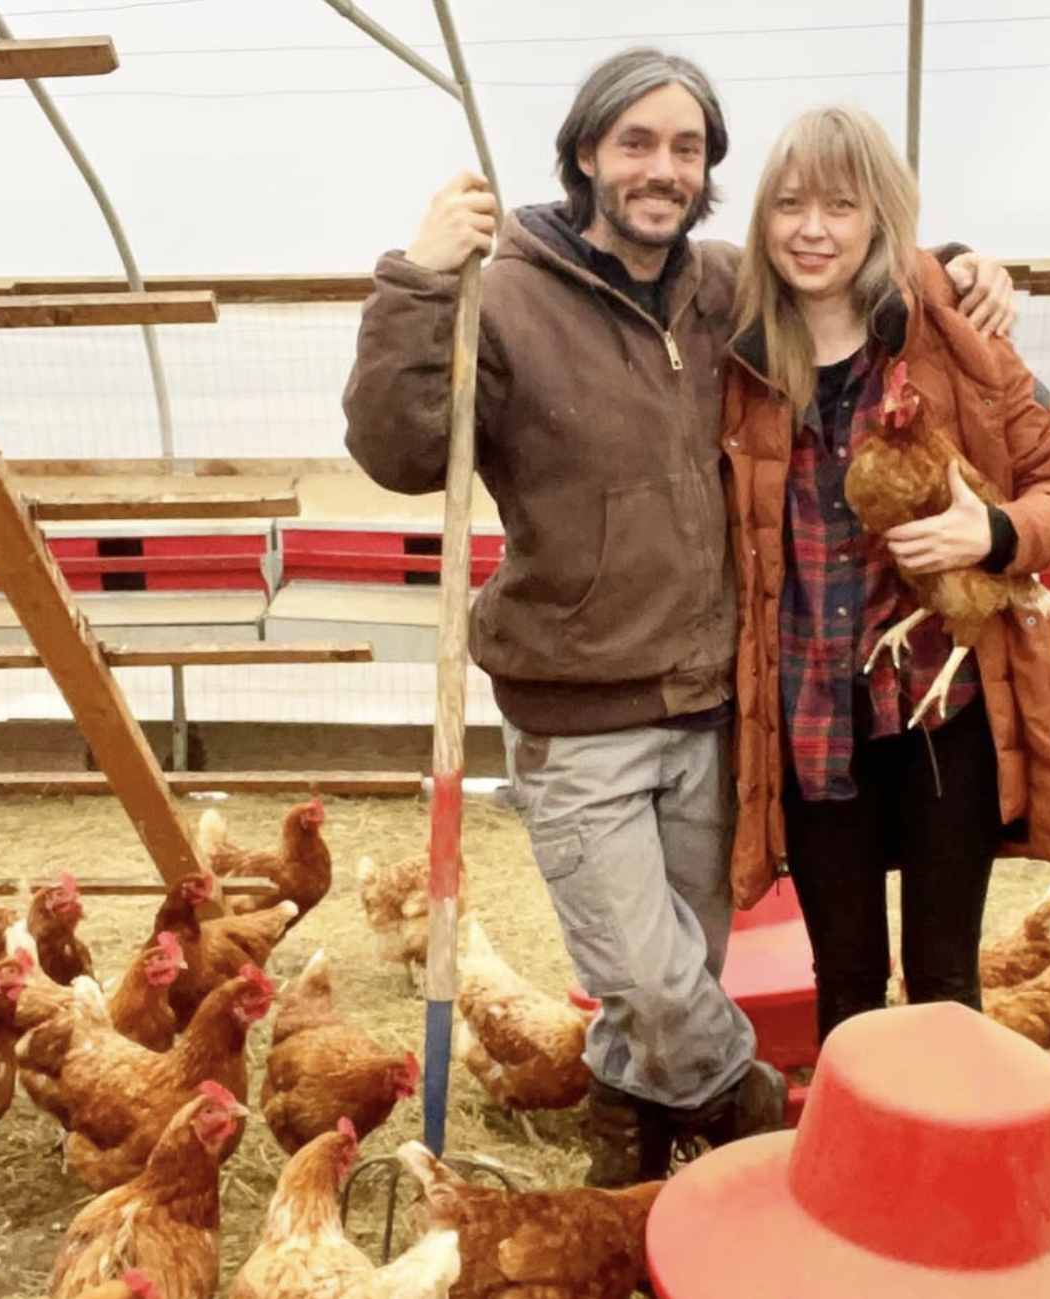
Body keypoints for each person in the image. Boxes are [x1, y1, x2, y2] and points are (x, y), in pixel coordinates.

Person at [343, 48, 1014, 1187]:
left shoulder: (721, 286)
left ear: (707, 172)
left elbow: (837, 260)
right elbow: (398, 451)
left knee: (680, 964)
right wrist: (416, 278)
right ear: (587, 152)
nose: (664, 168)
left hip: (714, 702)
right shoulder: (499, 296)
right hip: (576, 702)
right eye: (639, 143)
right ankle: (743, 1100)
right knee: (652, 980)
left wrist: (957, 264)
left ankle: (634, 1125)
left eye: (688, 148)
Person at [721, 104, 1050, 1042]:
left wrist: (994, 531)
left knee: (941, 979)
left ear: (881, 215)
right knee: (842, 985)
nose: (813, 229)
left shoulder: (961, 339)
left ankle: (944, 1171)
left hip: (942, 711)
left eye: (841, 205)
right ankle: (862, 1170)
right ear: (763, 218)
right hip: (810, 723)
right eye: (791, 204)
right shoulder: (738, 356)